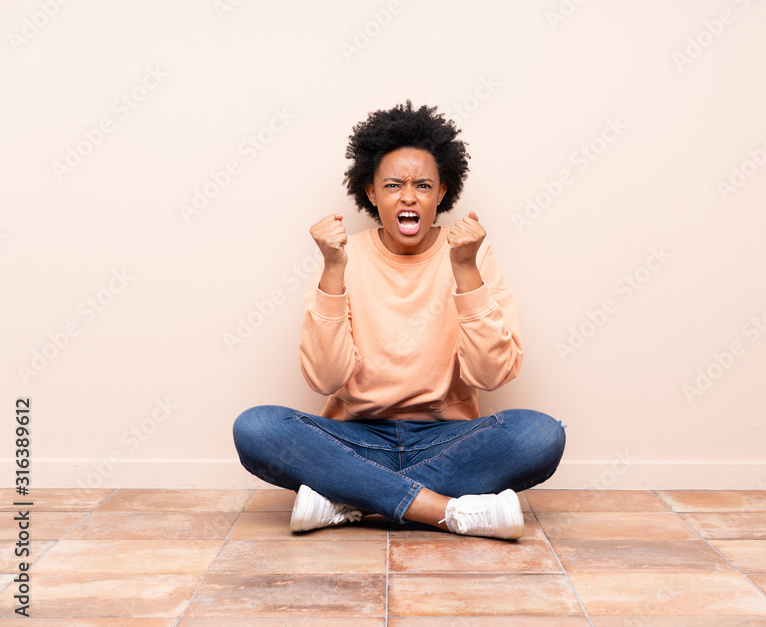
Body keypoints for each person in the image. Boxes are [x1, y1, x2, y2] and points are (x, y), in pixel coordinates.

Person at [232, 101, 566, 540]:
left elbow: (492, 375)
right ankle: (445, 510)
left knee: (539, 435)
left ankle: (351, 501)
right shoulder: (342, 255)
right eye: (393, 185)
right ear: (372, 193)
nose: (408, 196)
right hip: (355, 441)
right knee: (256, 428)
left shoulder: (471, 253)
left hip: (446, 439)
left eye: (423, 185)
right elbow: (325, 379)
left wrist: (465, 270)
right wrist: (333, 269)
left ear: (441, 193)